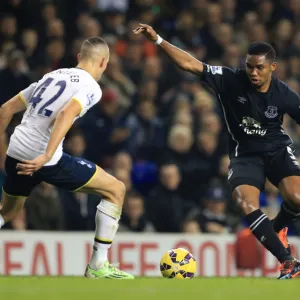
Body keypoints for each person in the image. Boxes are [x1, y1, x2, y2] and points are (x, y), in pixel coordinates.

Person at [133, 24, 300, 279]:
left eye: (260, 68)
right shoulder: (230, 79)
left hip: (277, 149)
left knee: (297, 198)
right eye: (250, 66)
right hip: (245, 155)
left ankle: (276, 228)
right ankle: (287, 260)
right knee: (246, 203)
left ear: (272, 68)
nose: (253, 72)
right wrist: (158, 40)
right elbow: (190, 63)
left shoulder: (284, 94)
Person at [0, 36, 133, 279]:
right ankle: (97, 266)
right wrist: (46, 155)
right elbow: (66, 113)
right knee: (116, 190)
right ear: (104, 63)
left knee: (6, 212)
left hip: (16, 152)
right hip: (44, 158)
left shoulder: (52, 76)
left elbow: (5, 111)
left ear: (79, 57)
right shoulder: (92, 87)